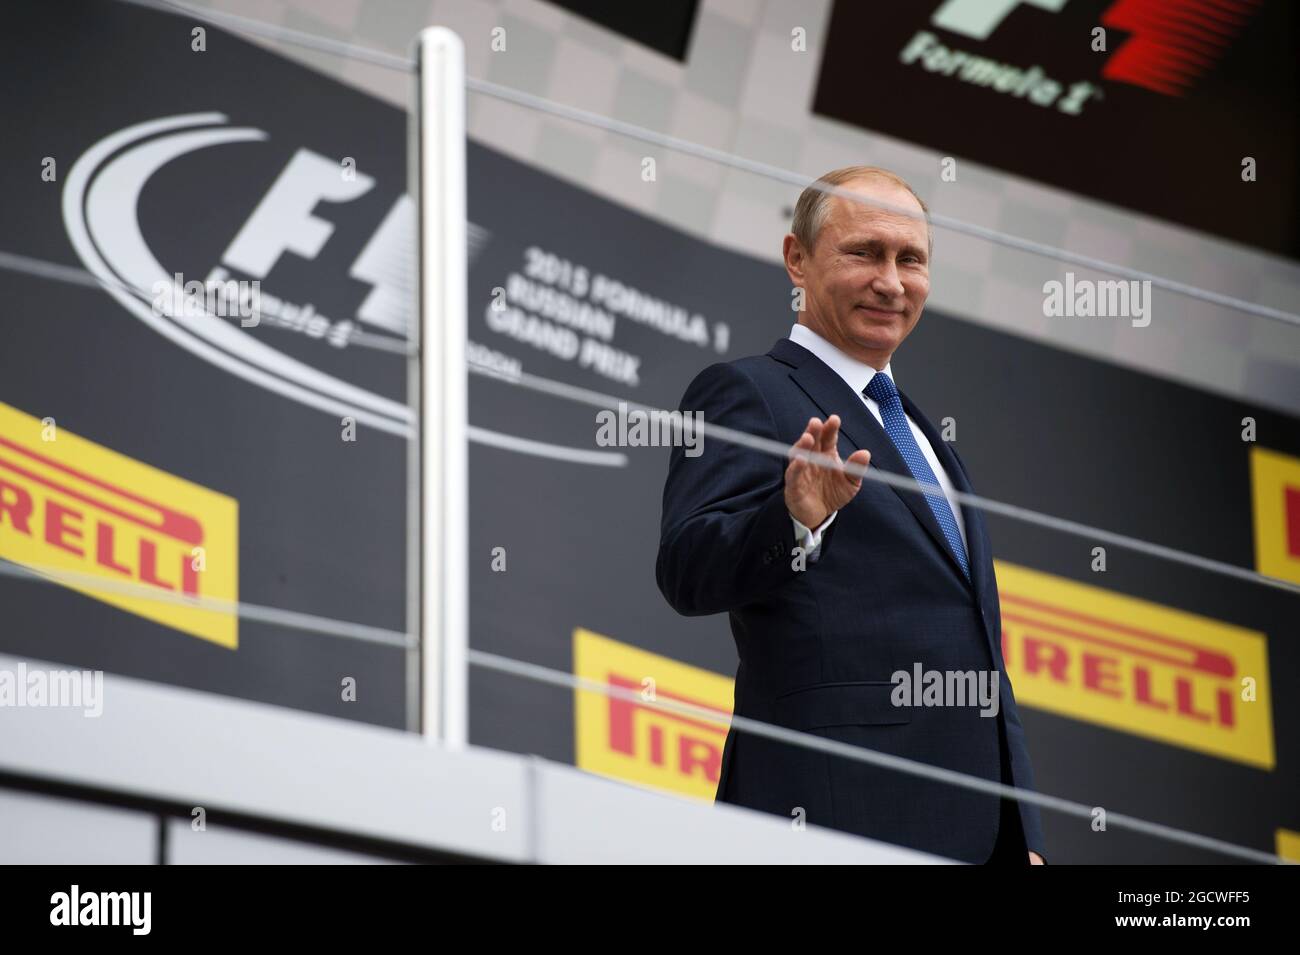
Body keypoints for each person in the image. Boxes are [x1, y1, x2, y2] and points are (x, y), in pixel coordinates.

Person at [656, 166, 1046, 865]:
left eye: (911, 259)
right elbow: (689, 569)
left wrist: (1023, 834)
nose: (891, 281)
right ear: (796, 260)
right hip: (832, 811)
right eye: (864, 252)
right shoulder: (746, 390)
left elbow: (978, 649)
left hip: (978, 836)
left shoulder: (927, 438)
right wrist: (794, 517)